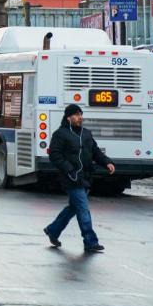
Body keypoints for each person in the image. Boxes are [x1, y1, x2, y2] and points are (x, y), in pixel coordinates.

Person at [43, 104, 115, 254]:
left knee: (73, 208)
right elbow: (54, 155)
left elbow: (95, 151)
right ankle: (90, 241)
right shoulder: (60, 134)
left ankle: (53, 230)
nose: (80, 117)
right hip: (71, 178)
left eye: (81, 114)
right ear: (68, 117)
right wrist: (69, 169)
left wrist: (107, 162)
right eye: (76, 115)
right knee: (83, 208)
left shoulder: (86, 134)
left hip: (86, 177)